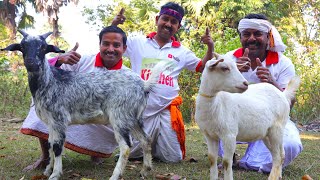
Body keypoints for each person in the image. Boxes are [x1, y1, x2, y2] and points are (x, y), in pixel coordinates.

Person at [111, 2, 214, 162]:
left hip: (166, 110)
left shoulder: (182, 51)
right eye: (165, 19)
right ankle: (149, 143)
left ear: (178, 26)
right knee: (131, 154)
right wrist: (114, 25)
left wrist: (210, 47)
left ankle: (159, 143)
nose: (168, 24)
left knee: (173, 158)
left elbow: (201, 66)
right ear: (157, 19)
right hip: (140, 109)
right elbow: (114, 46)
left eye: (173, 22)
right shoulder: (137, 43)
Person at [20, 25, 128, 171]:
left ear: (124, 48)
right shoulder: (80, 60)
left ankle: (95, 153)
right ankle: (46, 158)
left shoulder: (128, 76)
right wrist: (60, 60)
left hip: (104, 124)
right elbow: (47, 77)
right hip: (72, 114)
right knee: (44, 101)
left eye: (116, 45)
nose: (110, 49)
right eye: (106, 44)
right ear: (99, 45)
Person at [219, 13, 303, 173]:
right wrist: (232, 72)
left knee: (290, 145)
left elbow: (289, 105)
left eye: (257, 34)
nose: (251, 39)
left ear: (268, 37)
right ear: (241, 37)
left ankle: (249, 161)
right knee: (215, 124)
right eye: (246, 34)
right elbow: (213, 96)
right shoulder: (228, 59)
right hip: (235, 121)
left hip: (271, 122)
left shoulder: (283, 63)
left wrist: (273, 83)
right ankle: (235, 157)